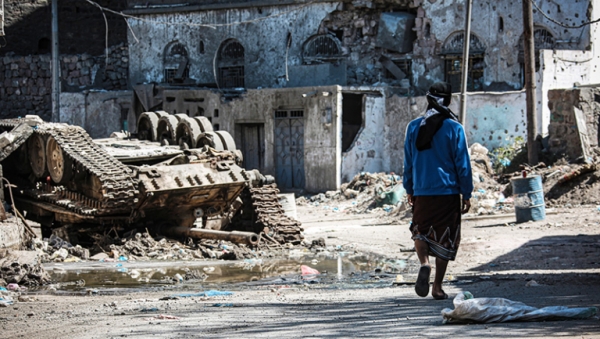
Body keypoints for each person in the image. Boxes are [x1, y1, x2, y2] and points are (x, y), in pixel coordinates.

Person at [402, 82, 473, 300]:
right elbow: (463, 164)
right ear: (449, 100)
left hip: (422, 191)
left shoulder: (414, 128)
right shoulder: (455, 128)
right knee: (446, 238)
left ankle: (424, 263)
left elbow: (408, 162)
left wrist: (410, 188)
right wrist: (466, 192)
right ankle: (437, 287)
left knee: (420, 231)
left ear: (428, 99)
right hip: (448, 193)